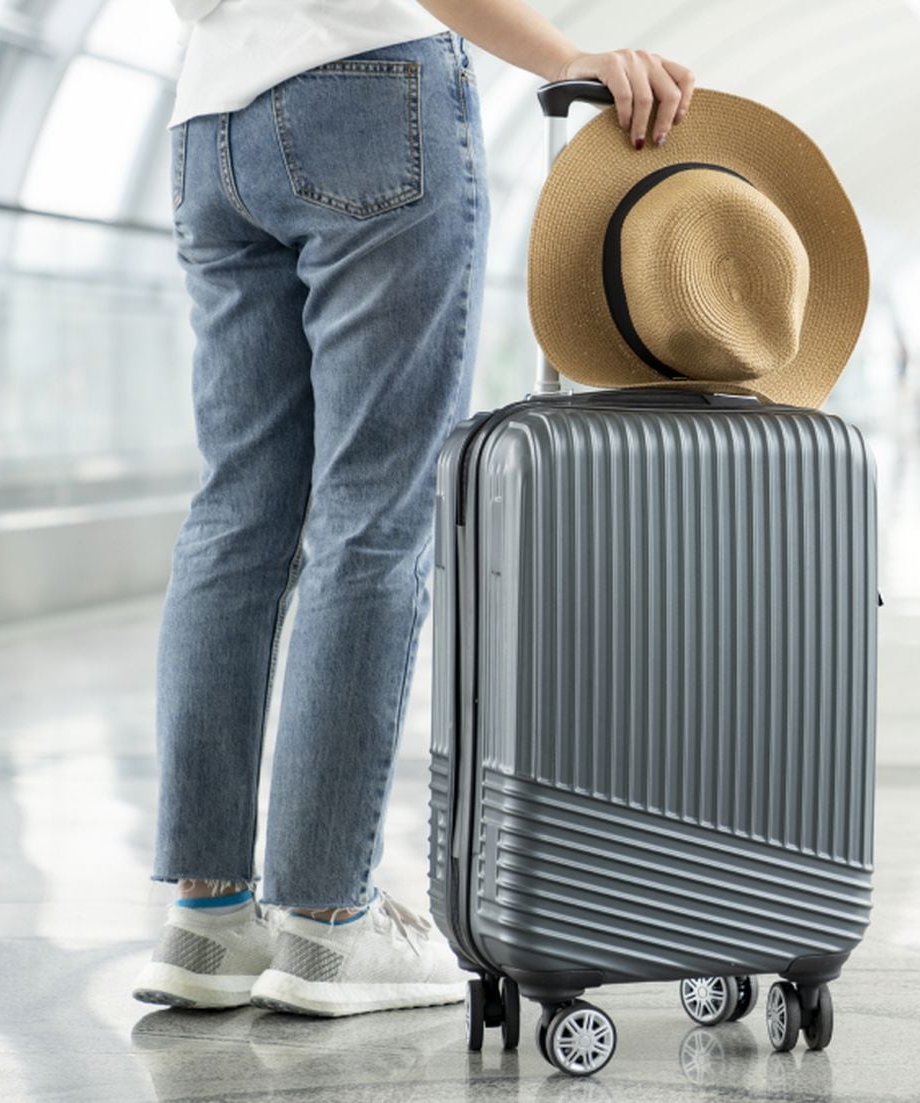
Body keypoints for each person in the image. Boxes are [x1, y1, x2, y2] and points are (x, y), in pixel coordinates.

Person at [131, 0, 692, 1017]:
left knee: (236, 519)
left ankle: (206, 916)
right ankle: (327, 925)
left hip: (210, 122)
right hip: (365, 91)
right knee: (372, 517)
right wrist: (567, 57)